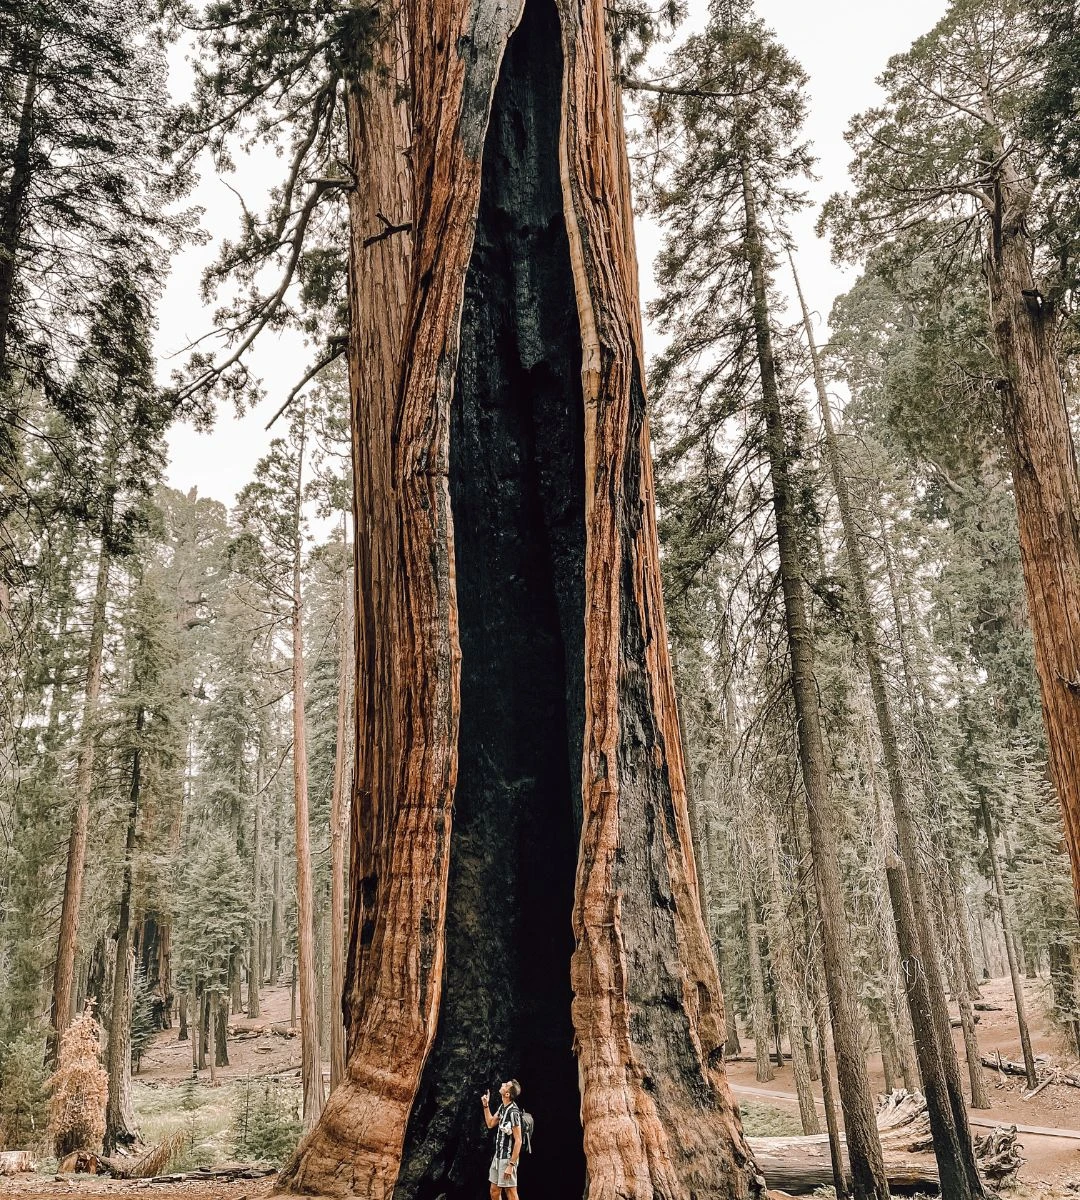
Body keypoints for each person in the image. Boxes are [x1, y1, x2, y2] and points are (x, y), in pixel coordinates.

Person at [481, 1079, 523, 1199]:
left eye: (506, 1085)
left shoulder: (513, 1112)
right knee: (494, 1191)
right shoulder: (502, 1107)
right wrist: (486, 1105)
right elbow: (490, 1123)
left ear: (507, 1094)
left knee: (510, 1192)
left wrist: (511, 1165)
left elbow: (518, 1140)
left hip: (507, 1158)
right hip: (498, 1156)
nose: (503, 1084)